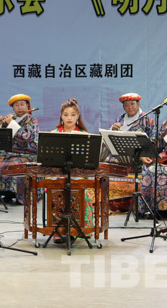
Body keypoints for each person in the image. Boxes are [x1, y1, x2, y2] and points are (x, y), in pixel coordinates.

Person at [103, 93, 156, 210]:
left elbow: (153, 140)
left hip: (139, 156)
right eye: (126, 105)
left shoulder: (147, 119)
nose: (130, 107)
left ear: (138, 104)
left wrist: (143, 153)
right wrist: (112, 130)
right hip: (121, 154)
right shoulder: (120, 119)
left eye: (132, 104)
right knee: (104, 159)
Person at [50, 98, 96, 234]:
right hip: (57, 175)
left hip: (77, 176)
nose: (69, 118)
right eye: (66, 115)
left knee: (84, 193)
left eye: (73, 115)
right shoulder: (53, 134)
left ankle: (82, 229)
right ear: (61, 116)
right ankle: (59, 231)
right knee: (57, 192)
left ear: (78, 116)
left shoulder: (84, 135)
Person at [0, 94, 38, 204]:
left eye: (22, 104)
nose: (20, 108)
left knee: (15, 165)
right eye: (16, 105)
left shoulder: (32, 120)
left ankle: (19, 196)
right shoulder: (10, 120)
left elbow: (26, 137)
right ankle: (2, 193)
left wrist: (12, 123)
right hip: (10, 154)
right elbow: (1, 140)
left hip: (27, 154)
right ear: (13, 108)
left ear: (27, 106)